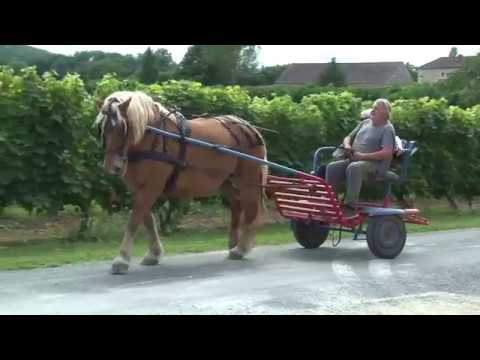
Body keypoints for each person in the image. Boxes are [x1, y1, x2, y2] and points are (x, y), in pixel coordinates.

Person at [326, 99, 396, 217]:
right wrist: (347, 146)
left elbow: (387, 153)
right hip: (355, 159)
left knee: (354, 167)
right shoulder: (365, 123)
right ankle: (330, 203)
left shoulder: (387, 128)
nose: (373, 110)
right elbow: (348, 137)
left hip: (375, 165)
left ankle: (350, 206)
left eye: (376, 108)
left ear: (385, 114)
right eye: (373, 107)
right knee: (332, 167)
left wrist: (363, 156)